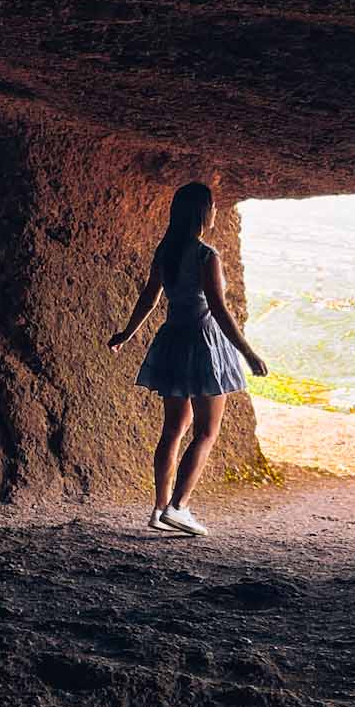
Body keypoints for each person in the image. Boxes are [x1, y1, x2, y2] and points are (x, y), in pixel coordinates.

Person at [108, 182, 267, 535]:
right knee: (207, 431)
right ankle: (179, 507)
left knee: (173, 430)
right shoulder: (206, 255)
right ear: (202, 212)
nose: (214, 211)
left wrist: (126, 334)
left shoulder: (166, 251)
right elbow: (220, 311)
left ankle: (159, 508)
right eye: (212, 205)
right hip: (204, 345)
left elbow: (149, 299)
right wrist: (249, 353)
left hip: (173, 341)